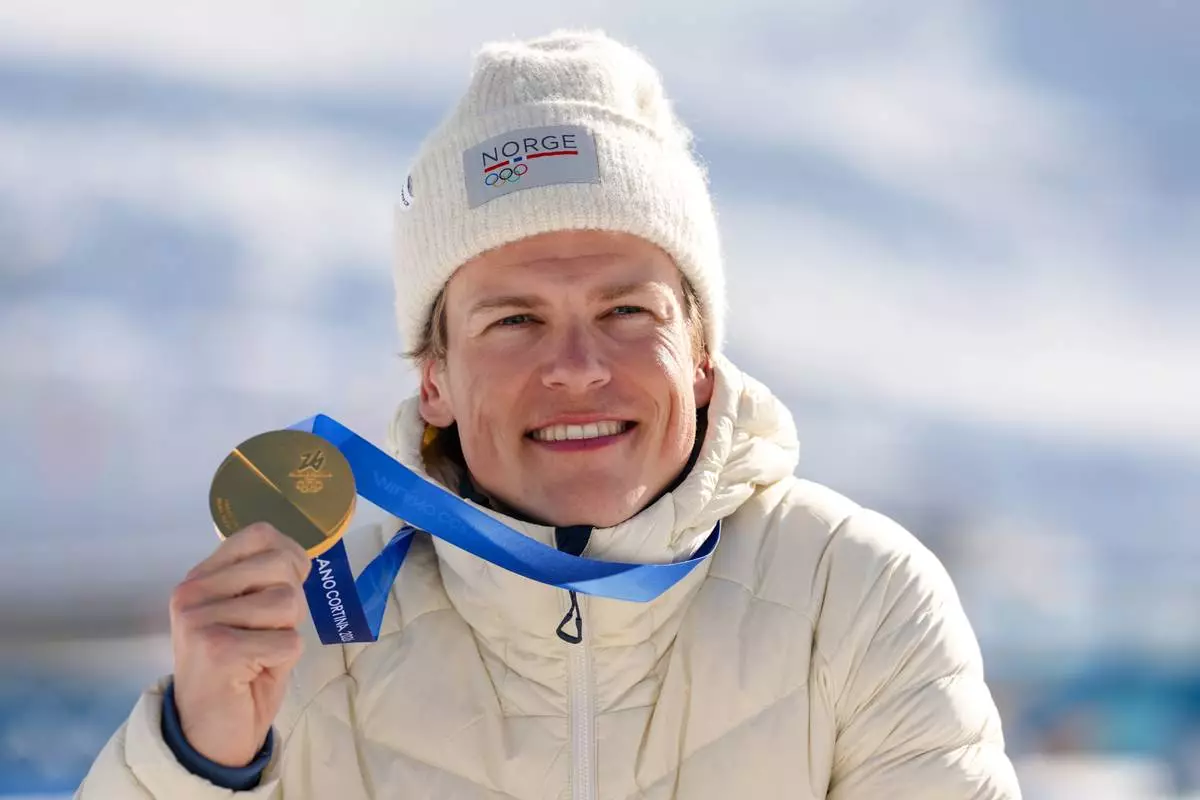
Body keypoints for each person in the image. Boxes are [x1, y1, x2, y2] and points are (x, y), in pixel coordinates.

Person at [77, 30, 1021, 799]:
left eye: (625, 312)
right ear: (434, 379)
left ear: (698, 355)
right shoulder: (310, 641)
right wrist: (197, 761)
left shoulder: (851, 597)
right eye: (515, 321)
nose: (575, 368)